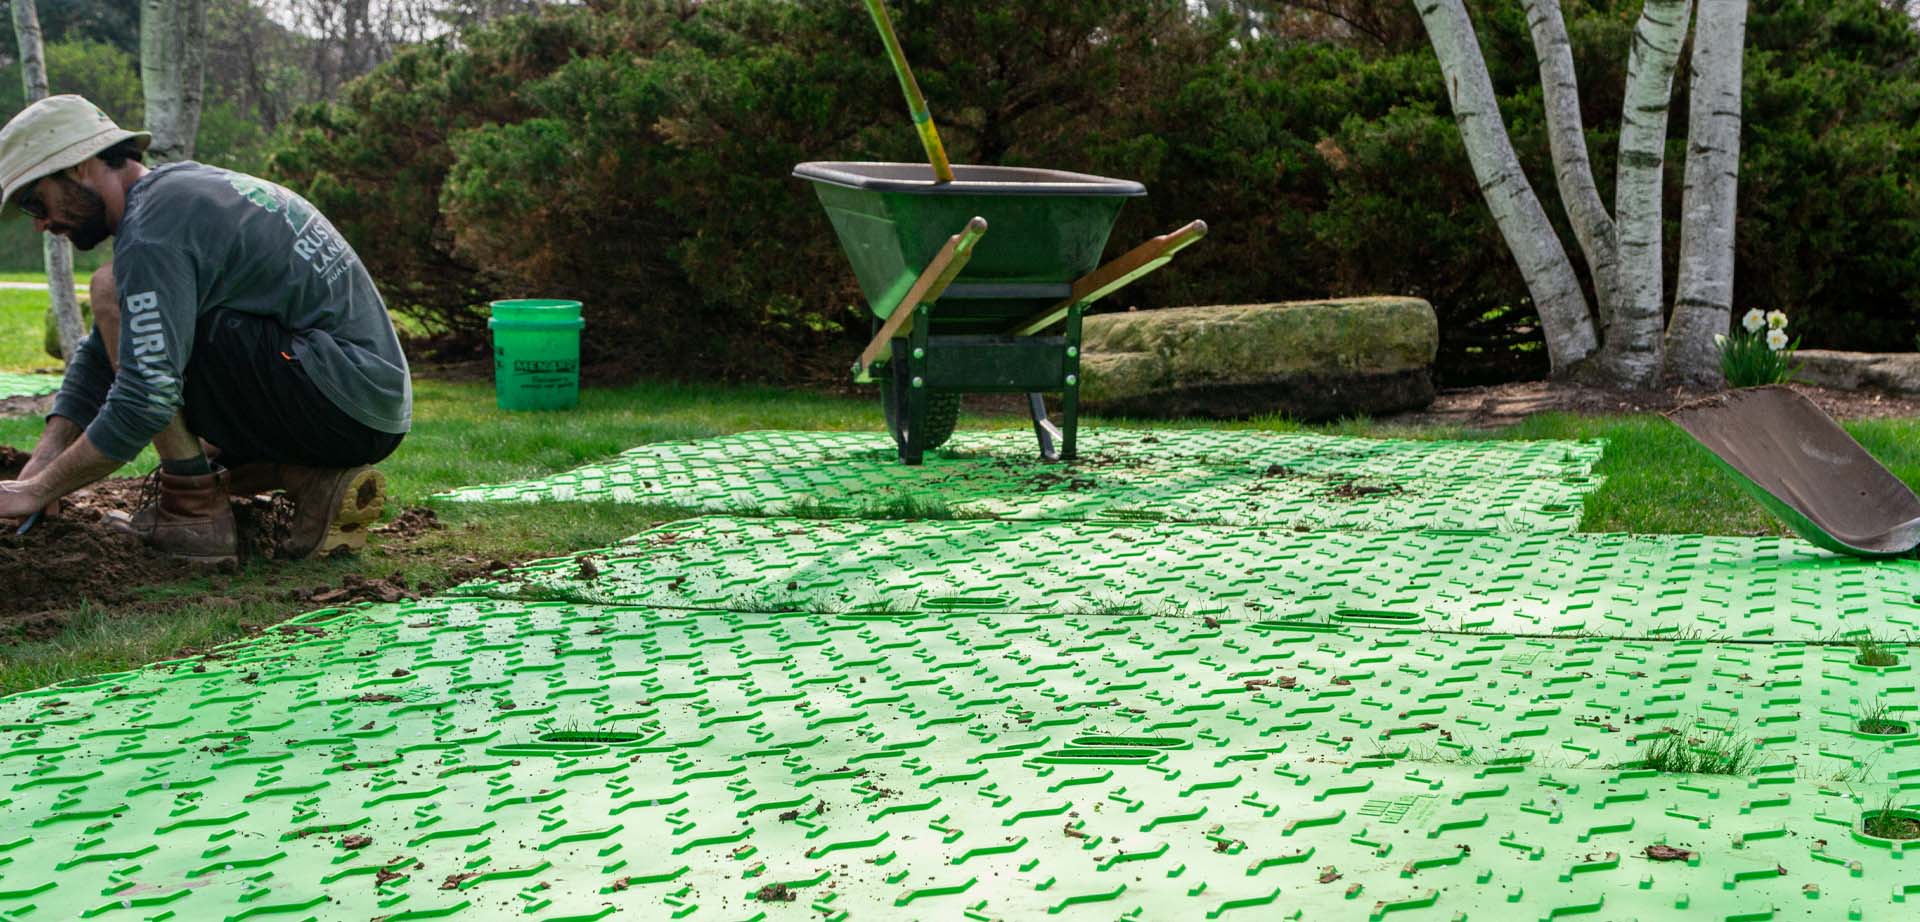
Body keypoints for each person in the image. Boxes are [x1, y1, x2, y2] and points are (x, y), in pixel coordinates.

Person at [0, 95, 411, 563]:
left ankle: (192, 511)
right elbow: (102, 352)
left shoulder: (153, 229)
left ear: (77, 168)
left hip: (338, 395)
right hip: (366, 408)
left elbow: (143, 398)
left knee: (110, 291)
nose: (41, 224)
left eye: (36, 202)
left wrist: (38, 491)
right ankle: (313, 482)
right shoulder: (177, 196)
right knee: (141, 335)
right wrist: (43, 461)